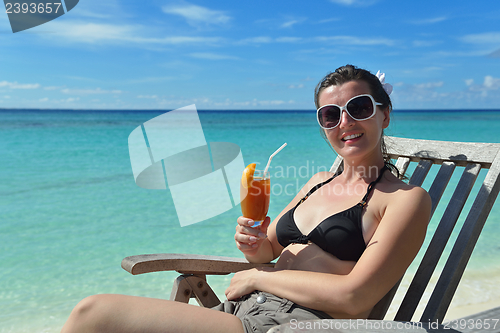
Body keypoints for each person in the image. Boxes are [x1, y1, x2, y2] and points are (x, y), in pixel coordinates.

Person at [61, 65, 431, 333]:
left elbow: (355, 297)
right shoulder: (318, 182)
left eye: (360, 108)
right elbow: (265, 252)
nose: (345, 122)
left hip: (293, 325)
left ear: (384, 113)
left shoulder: (404, 199)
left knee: (94, 313)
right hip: (244, 311)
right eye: (330, 114)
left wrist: (259, 278)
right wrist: (253, 245)